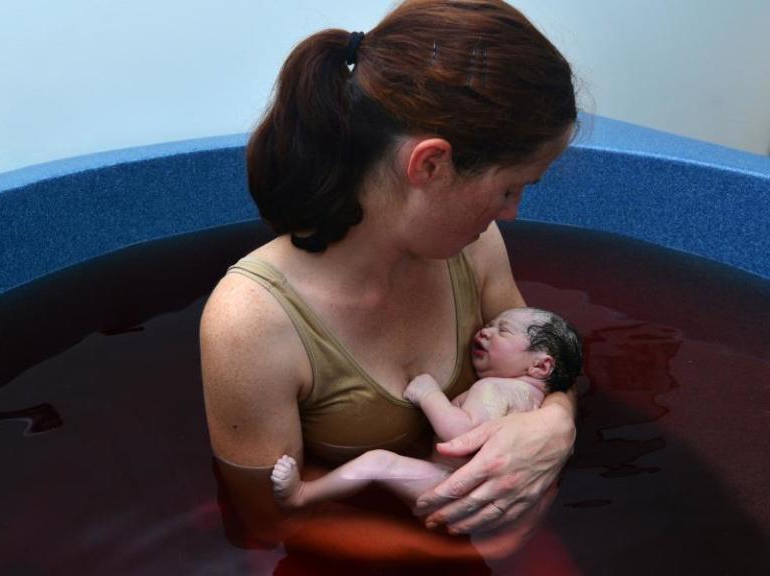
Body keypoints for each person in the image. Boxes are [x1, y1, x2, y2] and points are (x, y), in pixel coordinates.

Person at [200, 0, 579, 562]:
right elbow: (267, 517)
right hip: (356, 556)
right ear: (430, 165)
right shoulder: (252, 320)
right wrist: (455, 553)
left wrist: (556, 426)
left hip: (475, 517)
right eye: (508, 189)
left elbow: (543, 360)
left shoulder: (474, 249)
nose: (512, 213)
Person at [269, 307, 583, 511]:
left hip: (450, 490)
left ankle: (301, 495)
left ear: (541, 365)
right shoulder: (537, 404)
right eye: (488, 324)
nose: (485, 331)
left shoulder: (495, 388)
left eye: (503, 331)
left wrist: (428, 392)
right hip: (505, 503)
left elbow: (461, 436)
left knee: (377, 462)